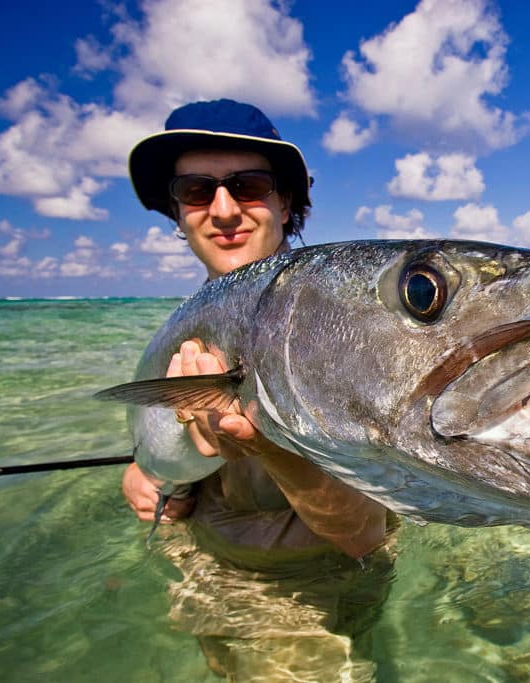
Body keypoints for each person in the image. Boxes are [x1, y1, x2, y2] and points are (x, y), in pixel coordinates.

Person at [120, 99, 395, 679]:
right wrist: (148, 472)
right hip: (205, 567)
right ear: (177, 212)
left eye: (247, 186)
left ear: (284, 200)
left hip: (309, 595)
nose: (223, 210)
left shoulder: (342, 317)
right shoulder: (182, 326)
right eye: (197, 191)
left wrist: (261, 442)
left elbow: (362, 533)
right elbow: (169, 462)